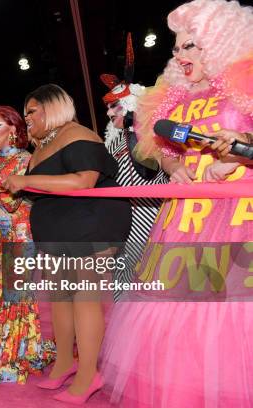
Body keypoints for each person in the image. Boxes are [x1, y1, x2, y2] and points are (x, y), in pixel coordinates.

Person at [101, 1, 253, 407]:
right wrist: (172, 165)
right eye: (176, 49)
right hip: (185, 217)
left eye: (190, 46)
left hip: (239, 218)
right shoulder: (173, 99)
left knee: (232, 316)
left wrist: (239, 153)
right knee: (176, 317)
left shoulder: (248, 86)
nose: (179, 55)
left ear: (218, 44)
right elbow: (163, 147)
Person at [2, 84, 132, 404]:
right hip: (59, 234)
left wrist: (26, 181)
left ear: (53, 107)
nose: (26, 117)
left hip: (90, 227)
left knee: (84, 298)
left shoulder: (78, 135)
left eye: (32, 110)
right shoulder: (42, 146)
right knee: (61, 298)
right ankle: (65, 362)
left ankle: (90, 375)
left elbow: (82, 181)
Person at [0, 105, 55, 384]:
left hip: (19, 234)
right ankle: (4, 347)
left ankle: (15, 353)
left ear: (13, 130)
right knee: (0, 292)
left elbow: (14, 201)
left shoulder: (26, 160)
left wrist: (1, 189)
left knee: (15, 295)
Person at [100, 33, 169, 298]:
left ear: (130, 104)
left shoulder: (148, 133)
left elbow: (147, 170)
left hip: (150, 218)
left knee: (150, 284)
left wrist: (134, 125)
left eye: (115, 107)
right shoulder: (116, 141)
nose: (109, 113)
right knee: (125, 283)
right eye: (108, 108)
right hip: (126, 221)